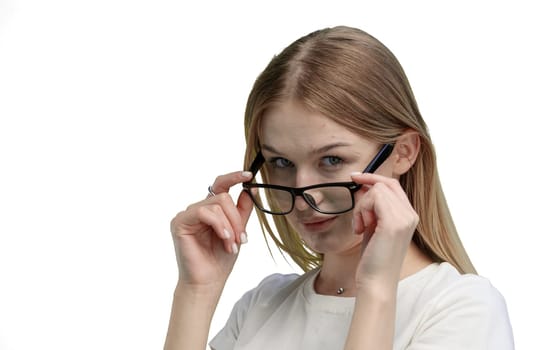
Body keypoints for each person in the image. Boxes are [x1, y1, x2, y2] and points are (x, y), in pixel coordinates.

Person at [164, 26, 514, 350]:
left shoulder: (462, 311)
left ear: (403, 153)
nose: (304, 195)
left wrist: (375, 290)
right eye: (282, 162)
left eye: (331, 160)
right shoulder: (262, 305)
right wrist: (197, 291)